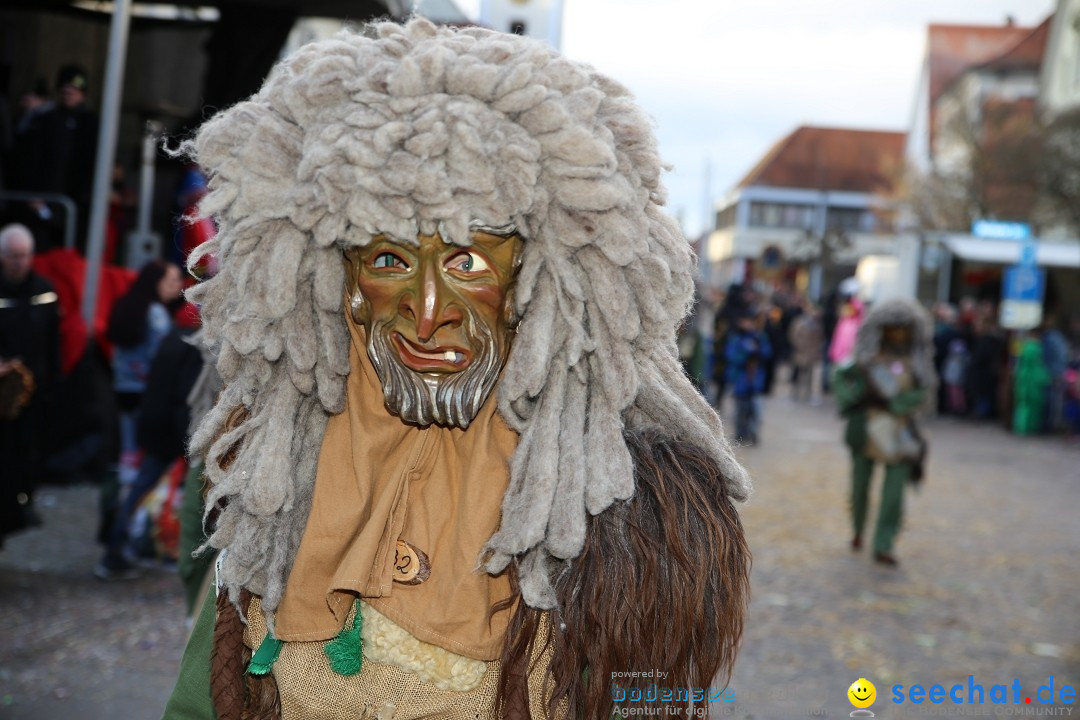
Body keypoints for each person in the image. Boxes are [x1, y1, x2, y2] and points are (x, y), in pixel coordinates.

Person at [163, 19, 752, 720]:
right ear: (338, 278)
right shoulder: (265, 453)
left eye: (469, 261)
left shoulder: (633, 503)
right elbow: (203, 689)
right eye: (390, 261)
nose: (429, 310)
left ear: (542, 274)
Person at [832, 297, 936, 567]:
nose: (897, 335)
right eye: (892, 328)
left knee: (894, 492)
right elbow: (839, 376)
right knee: (859, 487)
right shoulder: (866, 360)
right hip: (866, 427)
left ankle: (884, 544)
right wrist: (851, 398)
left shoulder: (917, 365)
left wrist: (902, 403)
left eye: (903, 329)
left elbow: (923, 391)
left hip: (900, 432)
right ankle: (857, 530)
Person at [96, 260, 183, 579]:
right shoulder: (156, 315)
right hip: (149, 403)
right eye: (173, 278)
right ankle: (126, 542)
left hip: (125, 398)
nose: (178, 285)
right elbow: (165, 361)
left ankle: (121, 539)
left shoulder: (127, 307)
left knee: (130, 472)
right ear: (157, 282)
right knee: (146, 476)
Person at [0, 223, 60, 546]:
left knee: (30, 449)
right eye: (13, 256)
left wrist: (52, 382)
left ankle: (25, 502)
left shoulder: (45, 291)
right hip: (3, 391)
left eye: (24, 256)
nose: (19, 262)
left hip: (34, 389)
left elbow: (54, 341)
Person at [13, 65, 98, 252]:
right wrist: (32, 194)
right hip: (46, 200)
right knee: (44, 251)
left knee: (74, 254)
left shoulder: (92, 123)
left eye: (74, 89)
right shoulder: (46, 121)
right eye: (64, 88)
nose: (69, 93)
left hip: (80, 204)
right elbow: (29, 159)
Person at [725, 309, 772, 444]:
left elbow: (767, 353)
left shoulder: (759, 337)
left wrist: (757, 351)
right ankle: (740, 434)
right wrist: (746, 354)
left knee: (755, 411)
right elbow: (731, 356)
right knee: (740, 410)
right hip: (741, 380)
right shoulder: (736, 338)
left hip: (755, 380)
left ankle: (753, 434)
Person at [788, 304, 823, 403]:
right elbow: (793, 335)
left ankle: (807, 394)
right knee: (798, 373)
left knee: (810, 376)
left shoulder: (817, 325)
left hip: (812, 353)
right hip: (801, 352)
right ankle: (796, 393)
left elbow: (819, 339)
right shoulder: (799, 323)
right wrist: (800, 346)